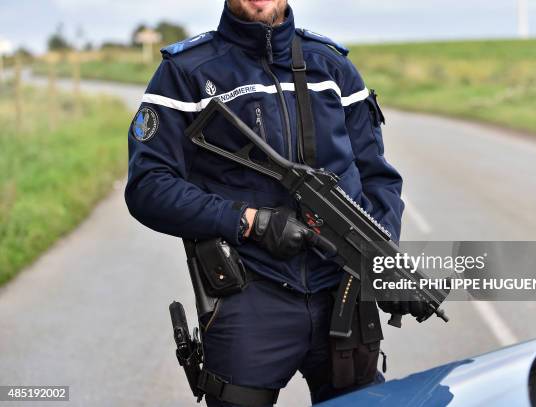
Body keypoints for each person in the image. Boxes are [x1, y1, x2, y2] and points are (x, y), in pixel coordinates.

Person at [125, 0, 413, 405]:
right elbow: (148, 187)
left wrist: (381, 259)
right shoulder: (186, 72)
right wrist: (247, 221)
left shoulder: (331, 67)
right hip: (249, 294)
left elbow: (378, 178)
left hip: (342, 293)